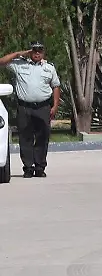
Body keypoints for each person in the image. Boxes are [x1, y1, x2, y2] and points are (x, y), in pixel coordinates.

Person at [0, 42, 60, 178]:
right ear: (30, 52)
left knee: (42, 137)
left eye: (40, 51)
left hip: (43, 107)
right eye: (34, 51)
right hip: (24, 107)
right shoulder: (19, 64)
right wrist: (17, 54)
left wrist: (55, 106)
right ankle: (28, 167)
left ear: (43, 53)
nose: (37, 53)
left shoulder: (49, 68)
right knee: (25, 138)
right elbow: (1, 62)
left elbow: (56, 86)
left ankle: (40, 167)